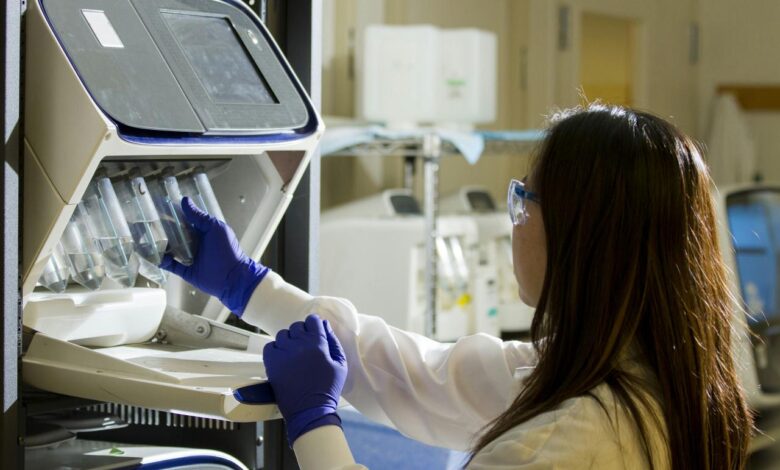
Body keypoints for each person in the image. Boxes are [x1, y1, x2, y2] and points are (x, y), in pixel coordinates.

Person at [161, 103, 753, 469]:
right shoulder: (643, 381)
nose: (513, 220)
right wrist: (251, 286)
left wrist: (316, 425)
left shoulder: (569, 443)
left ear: (582, 238)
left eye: (524, 200)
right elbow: (418, 374)